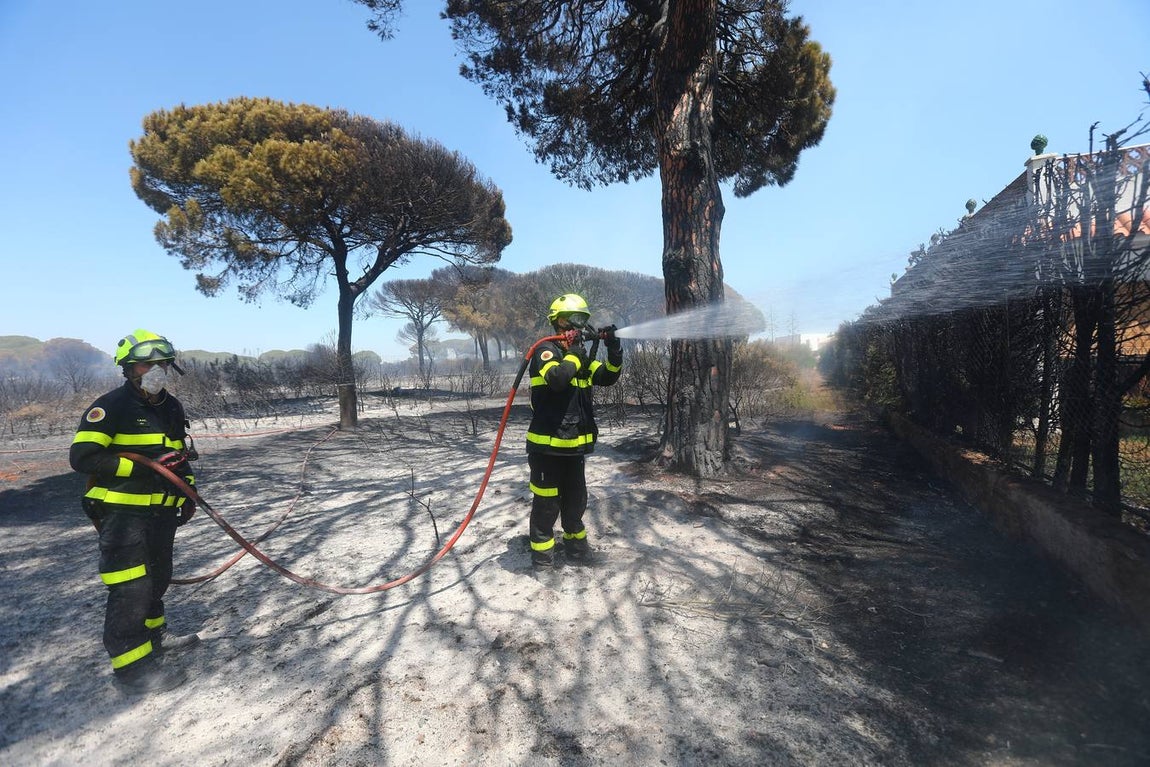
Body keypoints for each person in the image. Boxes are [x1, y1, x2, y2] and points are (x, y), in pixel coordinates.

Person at [69, 329, 201, 695]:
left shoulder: (171, 407)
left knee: (158, 580)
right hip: (122, 517)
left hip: (162, 513)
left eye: (162, 364)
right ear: (128, 368)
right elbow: (82, 458)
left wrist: (188, 491)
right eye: (147, 364)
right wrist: (144, 467)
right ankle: (132, 670)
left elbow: (177, 454)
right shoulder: (111, 407)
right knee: (131, 587)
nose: (155, 370)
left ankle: (154, 640)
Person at [525, 294, 623, 567]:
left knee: (575, 503)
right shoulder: (546, 350)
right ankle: (543, 561)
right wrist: (575, 355)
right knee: (547, 507)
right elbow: (557, 379)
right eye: (572, 320)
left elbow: (609, 376)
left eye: (582, 320)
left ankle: (577, 553)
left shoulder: (578, 356)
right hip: (547, 448)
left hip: (573, 449)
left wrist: (614, 349)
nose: (578, 326)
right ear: (557, 322)